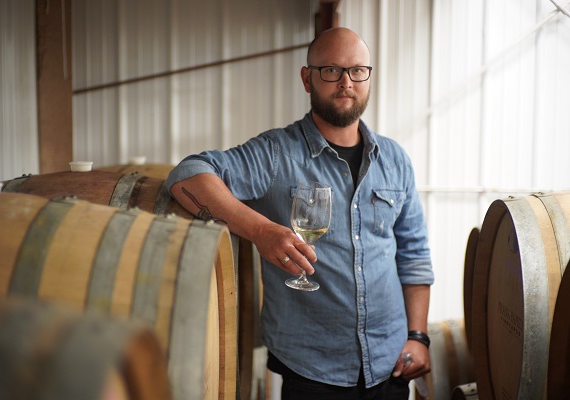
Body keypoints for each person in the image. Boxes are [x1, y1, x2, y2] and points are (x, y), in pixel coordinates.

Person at [165, 27, 434, 400]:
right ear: (308, 78)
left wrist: (418, 336)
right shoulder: (276, 153)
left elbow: (414, 255)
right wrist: (259, 230)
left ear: (369, 77)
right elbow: (187, 175)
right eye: (330, 70)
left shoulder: (394, 159)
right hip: (312, 370)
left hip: (390, 364)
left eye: (357, 70)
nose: (345, 82)